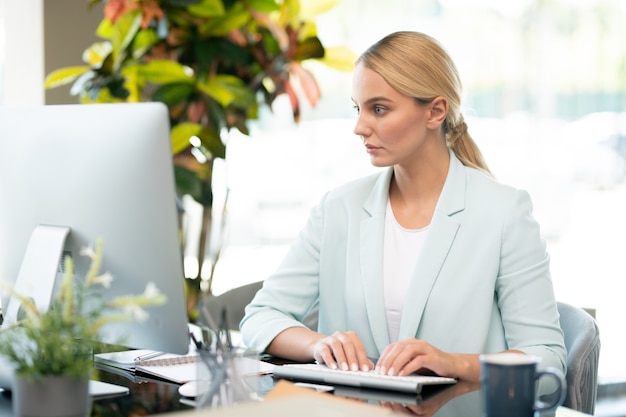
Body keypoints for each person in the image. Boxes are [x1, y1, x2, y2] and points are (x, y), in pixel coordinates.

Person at [240, 31, 566, 384]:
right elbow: (260, 316)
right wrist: (319, 345)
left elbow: (547, 359)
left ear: (435, 112)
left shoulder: (503, 212)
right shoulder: (339, 208)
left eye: (379, 109)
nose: (359, 127)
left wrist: (454, 364)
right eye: (358, 108)